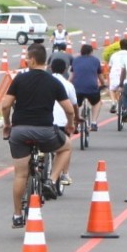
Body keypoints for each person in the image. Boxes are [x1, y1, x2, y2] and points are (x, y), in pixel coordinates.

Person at [0, 43, 75, 228]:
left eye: (27, 57)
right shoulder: (53, 82)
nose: (26, 60)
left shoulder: (20, 79)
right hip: (45, 131)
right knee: (66, 147)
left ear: (32, 60)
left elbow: (5, 105)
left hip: (19, 132)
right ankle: (52, 180)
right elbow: (69, 109)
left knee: (20, 174)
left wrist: (7, 123)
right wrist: (70, 124)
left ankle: (17, 215)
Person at [49, 57, 79, 187]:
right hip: (61, 124)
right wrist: (74, 121)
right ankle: (65, 173)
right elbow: (74, 106)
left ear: (50, 68)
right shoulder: (68, 85)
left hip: (43, 122)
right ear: (65, 70)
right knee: (66, 146)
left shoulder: (45, 82)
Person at [70, 43, 105, 131]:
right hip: (91, 87)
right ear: (91, 52)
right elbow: (100, 76)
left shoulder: (75, 60)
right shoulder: (95, 60)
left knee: (75, 104)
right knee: (97, 102)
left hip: (77, 87)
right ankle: (93, 123)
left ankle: (75, 124)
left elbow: (72, 76)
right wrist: (103, 84)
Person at [107, 38, 127, 115]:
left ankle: (113, 102)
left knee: (112, 89)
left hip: (115, 74)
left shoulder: (114, 55)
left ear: (120, 46)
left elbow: (110, 67)